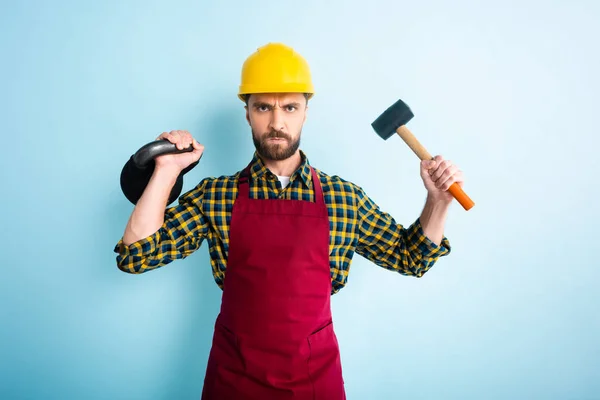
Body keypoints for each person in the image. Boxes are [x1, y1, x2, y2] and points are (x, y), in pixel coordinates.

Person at [114, 42, 463, 400]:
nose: (277, 122)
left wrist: (437, 202)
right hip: (234, 381)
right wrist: (166, 169)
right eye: (263, 107)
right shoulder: (216, 196)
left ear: (305, 113)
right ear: (248, 113)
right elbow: (137, 256)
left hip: (314, 384)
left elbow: (411, 257)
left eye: (290, 107)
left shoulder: (343, 199)